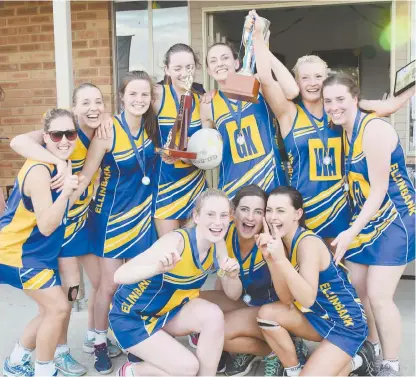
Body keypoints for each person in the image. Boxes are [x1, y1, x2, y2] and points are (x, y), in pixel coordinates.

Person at [251, 10, 413, 248]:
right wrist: (258, 36)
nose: (313, 83)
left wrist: (412, 81)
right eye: (305, 78)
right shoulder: (288, 112)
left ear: (326, 79)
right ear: (296, 81)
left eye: (318, 76)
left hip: (340, 207)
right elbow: (264, 77)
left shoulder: (341, 111)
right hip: (302, 207)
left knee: (338, 273)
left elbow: (390, 106)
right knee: (304, 270)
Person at [9, 84, 120, 376]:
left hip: (85, 222)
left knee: (103, 284)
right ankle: (59, 352)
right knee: (68, 297)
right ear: (74, 107)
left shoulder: (103, 131)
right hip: (62, 228)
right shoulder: (62, 132)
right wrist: (57, 159)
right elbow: (18, 141)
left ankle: (95, 337)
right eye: (85, 102)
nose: (93, 107)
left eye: (99, 101)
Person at [323, 73, 415, 376]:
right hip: (367, 218)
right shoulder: (345, 129)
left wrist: (349, 232)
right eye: (328, 101)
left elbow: (378, 190)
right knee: (358, 289)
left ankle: (391, 364)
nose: (333, 107)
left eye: (340, 99)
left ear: (355, 99)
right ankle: (373, 348)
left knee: (378, 295)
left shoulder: (373, 130)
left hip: (396, 218)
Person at [73, 70, 159, 374]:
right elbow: (84, 177)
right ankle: (97, 343)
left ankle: (130, 341)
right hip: (110, 219)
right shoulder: (108, 131)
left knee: (135, 284)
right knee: (108, 287)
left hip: (143, 219)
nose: (139, 100)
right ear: (121, 97)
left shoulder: (152, 128)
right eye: (132, 94)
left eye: (144, 94)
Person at [109, 188, 241, 376]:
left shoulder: (218, 243)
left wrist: (233, 276)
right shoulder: (176, 242)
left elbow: (234, 294)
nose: (218, 222)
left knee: (213, 315)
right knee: (187, 369)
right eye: (210, 214)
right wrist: (155, 269)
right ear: (196, 216)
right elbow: (119, 275)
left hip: (167, 312)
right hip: (131, 318)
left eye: (223, 215)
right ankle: (131, 371)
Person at [256, 186, 374, 376]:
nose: (272, 217)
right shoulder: (281, 243)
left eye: (280, 210)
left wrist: (280, 260)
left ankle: (357, 360)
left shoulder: (307, 243)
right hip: (320, 318)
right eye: (269, 210)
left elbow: (308, 299)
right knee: (267, 313)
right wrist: (271, 259)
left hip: (346, 325)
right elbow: (286, 300)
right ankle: (294, 370)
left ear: (297, 214)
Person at [197, 184, 308, 377]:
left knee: (220, 332)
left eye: (258, 211)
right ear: (233, 213)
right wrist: (227, 274)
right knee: (195, 303)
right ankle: (270, 351)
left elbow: (287, 298)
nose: (250, 217)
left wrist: (273, 259)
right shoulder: (225, 233)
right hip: (247, 302)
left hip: (276, 310)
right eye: (244, 209)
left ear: (264, 217)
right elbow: (233, 293)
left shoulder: (272, 241)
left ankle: (287, 347)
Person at [1, 109, 79, 377]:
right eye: (57, 135)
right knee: (58, 309)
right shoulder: (39, 170)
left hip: (36, 253)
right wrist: (67, 192)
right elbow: (47, 225)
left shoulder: (57, 162)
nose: (64, 140)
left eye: (70, 133)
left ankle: (16, 361)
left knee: (52, 309)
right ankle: (45, 371)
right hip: (19, 253)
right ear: (45, 136)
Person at [200, 29, 294, 199]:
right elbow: (207, 150)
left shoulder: (256, 84)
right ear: (208, 70)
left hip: (271, 181)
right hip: (233, 185)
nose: (219, 63)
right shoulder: (208, 104)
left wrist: (264, 51)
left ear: (237, 63)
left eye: (225, 58)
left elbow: (292, 90)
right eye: (213, 61)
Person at [152, 43, 208, 237]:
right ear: (167, 69)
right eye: (177, 68)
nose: (184, 73)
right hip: (165, 185)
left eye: (189, 67)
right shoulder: (156, 95)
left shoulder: (202, 100)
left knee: (195, 249)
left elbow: (209, 145)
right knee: (169, 252)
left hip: (195, 185)